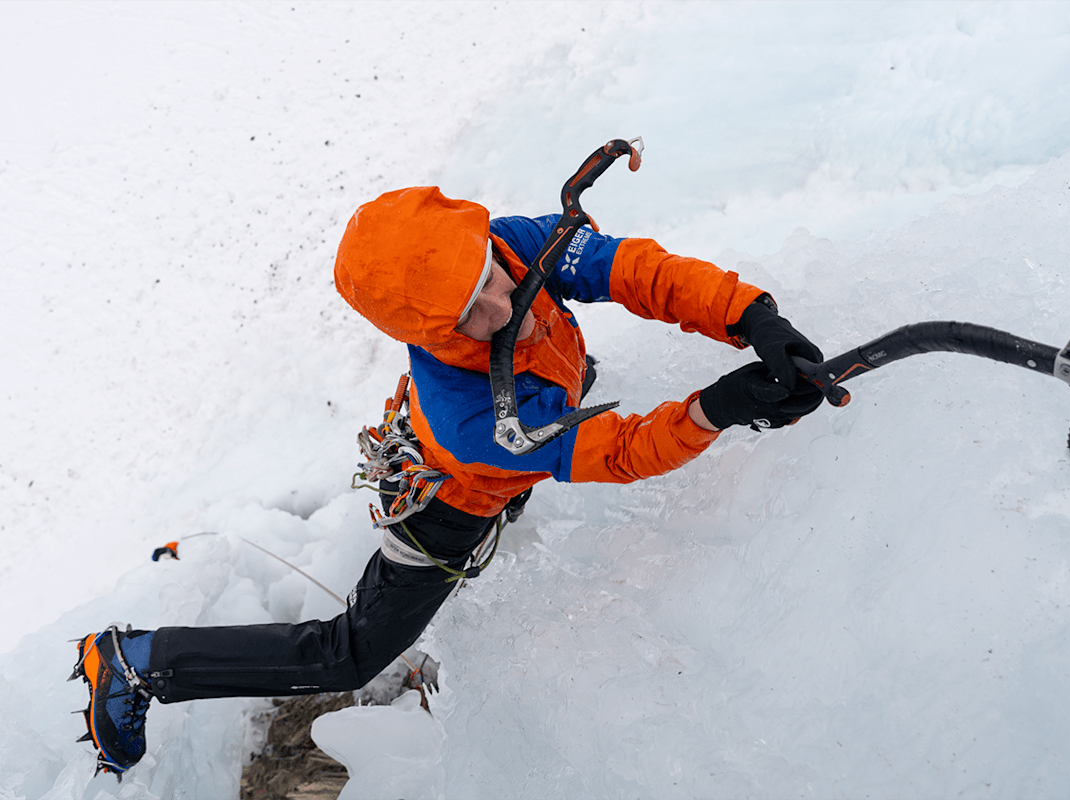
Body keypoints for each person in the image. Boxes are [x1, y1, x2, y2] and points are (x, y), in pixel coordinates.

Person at [69, 186, 825, 777]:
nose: (507, 310)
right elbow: (619, 451)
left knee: (562, 389)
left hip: (511, 444)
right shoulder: (475, 416)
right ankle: (137, 662)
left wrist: (748, 315)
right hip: (447, 505)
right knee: (348, 653)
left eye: (492, 280)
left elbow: (622, 267)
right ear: (429, 335)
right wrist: (716, 408)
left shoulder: (505, 244)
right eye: (471, 317)